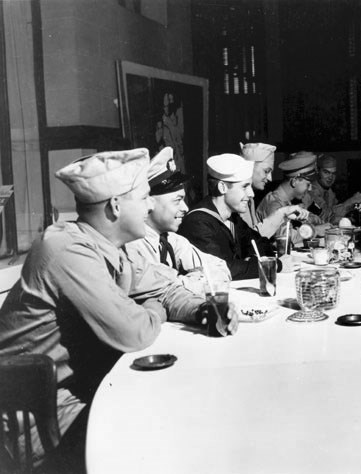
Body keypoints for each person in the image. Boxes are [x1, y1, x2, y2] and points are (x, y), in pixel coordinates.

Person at [0, 148, 237, 471]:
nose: (152, 204)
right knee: (166, 435)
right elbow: (133, 332)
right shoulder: (67, 250)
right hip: (32, 417)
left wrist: (202, 309)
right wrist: (156, 307)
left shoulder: (109, 247)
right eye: (144, 198)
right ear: (115, 206)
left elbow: (165, 286)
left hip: (78, 391)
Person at [126, 147, 230, 292]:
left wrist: (185, 281)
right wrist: (191, 280)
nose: (186, 208)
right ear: (149, 202)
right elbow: (158, 291)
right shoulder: (132, 246)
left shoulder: (172, 240)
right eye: (177, 200)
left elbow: (220, 268)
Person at [178, 153, 278, 280]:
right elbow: (223, 269)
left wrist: (251, 259)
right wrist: (274, 265)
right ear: (222, 187)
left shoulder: (232, 218)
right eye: (245, 186)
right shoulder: (198, 222)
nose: (251, 193)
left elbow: (259, 243)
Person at [256, 151, 330, 246]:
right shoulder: (274, 204)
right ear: (294, 182)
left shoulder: (287, 202)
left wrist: (317, 223)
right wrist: (315, 230)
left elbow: (310, 218)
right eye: (308, 184)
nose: (310, 188)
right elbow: (285, 237)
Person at [239, 142, 309, 238]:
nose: (270, 178)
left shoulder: (250, 200)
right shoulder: (240, 200)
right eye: (266, 171)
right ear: (250, 167)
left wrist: (283, 213)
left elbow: (254, 235)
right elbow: (251, 239)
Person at [302, 153, 361, 225]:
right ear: (317, 171)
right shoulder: (311, 190)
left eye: (333, 173)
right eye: (326, 172)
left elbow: (333, 214)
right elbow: (326, 216)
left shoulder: (329, 191)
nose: (330, 177)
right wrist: (351, 201)